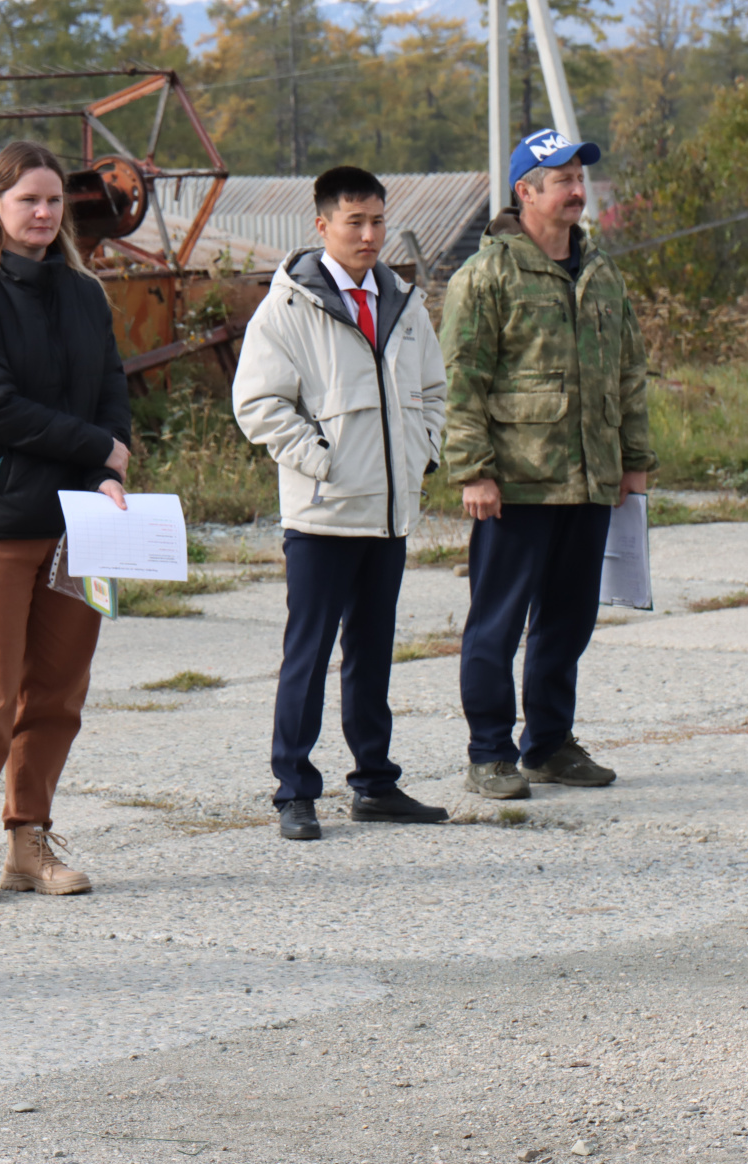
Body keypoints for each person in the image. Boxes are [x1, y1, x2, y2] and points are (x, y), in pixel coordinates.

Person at [0, 140, 131, 902]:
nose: (43, 213)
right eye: (27, 200)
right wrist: (97, 447)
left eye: (52, 201)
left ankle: (28, 840)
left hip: (83, 522)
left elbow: (111, 391)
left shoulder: (85, 294)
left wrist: (110, 469)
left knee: (59, 691)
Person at [233, 166, 450, 841]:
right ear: (322, 225)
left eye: (377, 221)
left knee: (373, 655)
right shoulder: (289, 307)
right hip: (323, 516)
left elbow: (434, 391)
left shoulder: (404, 304)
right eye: (354, 222)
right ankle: (294, 791)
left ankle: (375, 784)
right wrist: (323, 461)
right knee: (308, 655)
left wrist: (422, 452)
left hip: (388, 516)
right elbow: (258, 404)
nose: (369, 234)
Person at [439, 129, 655, 802]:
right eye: (561, 179)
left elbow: (628, 371)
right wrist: (473, 470)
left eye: (579, 178)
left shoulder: (601, 272)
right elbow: (461, 381)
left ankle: (550, 745)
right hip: (516, 483)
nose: (576, 190)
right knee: (497, 624)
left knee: (569, 620)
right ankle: (489, 753)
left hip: (589, 480)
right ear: (525, 192)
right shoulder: (487, 275)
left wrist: (634, 461)